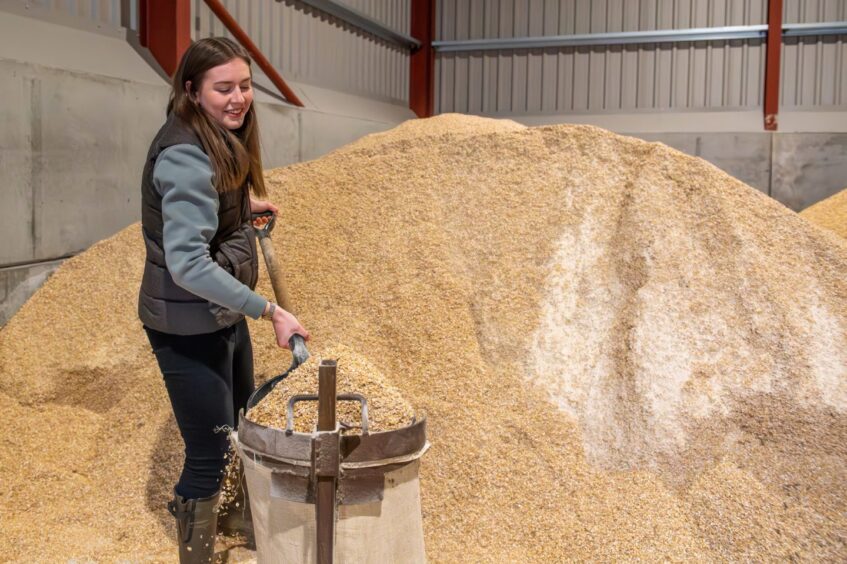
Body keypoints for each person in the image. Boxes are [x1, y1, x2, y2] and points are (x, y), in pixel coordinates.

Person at [138, 37, 309, 562]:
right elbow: (188, 264)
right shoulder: (185, 155)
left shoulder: (212, 139)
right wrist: (270, 311)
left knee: (239, 421)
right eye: (223, 88)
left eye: (245, 85)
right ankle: (199, 552)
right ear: (191, 91)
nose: (238, 98)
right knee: (209, 452)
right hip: (187, 323)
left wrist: (239, 202)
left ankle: (233, 527)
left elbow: (204, 199)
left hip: (218, 314)